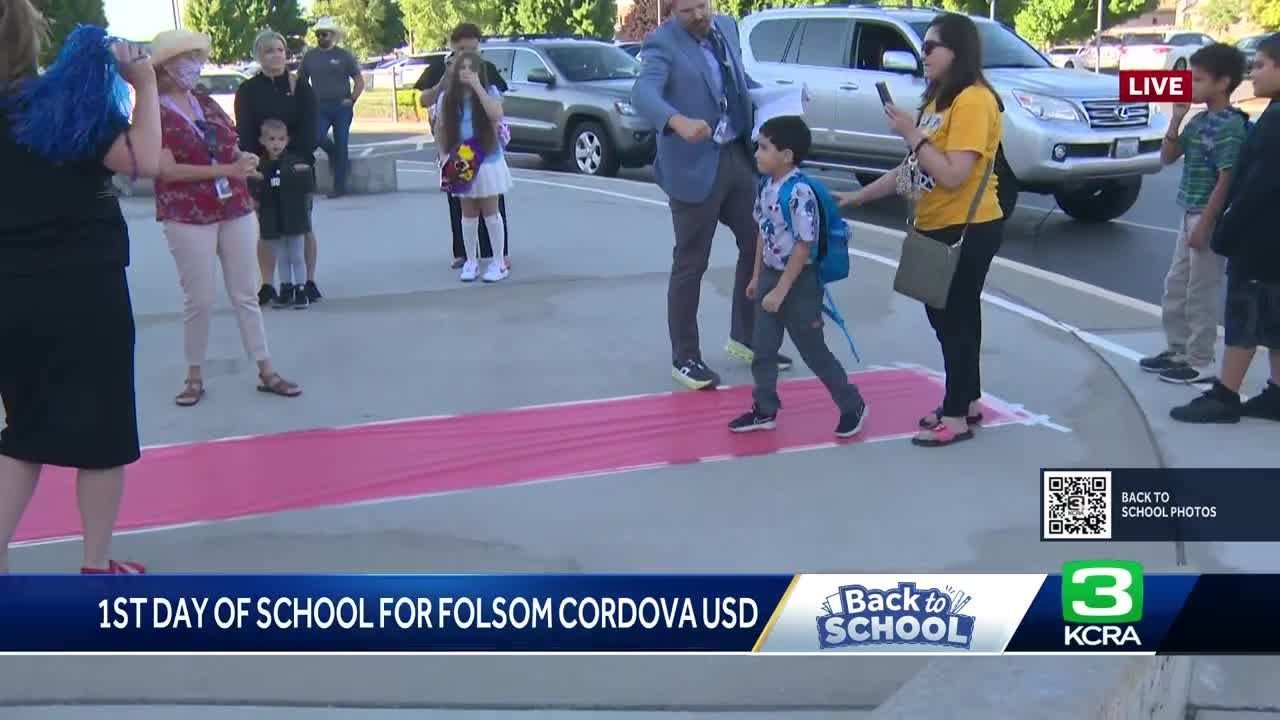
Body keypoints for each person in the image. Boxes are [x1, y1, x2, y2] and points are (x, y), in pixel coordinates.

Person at [0, 2, 161, 573]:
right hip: (82, 289)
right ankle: (96, 565)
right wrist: (142, 83)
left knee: (25, 430)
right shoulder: (59, 105)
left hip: (10, 293)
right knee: (103, 429)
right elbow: (145, 159)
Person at [834, 13, 1005, 448]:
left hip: (968, 224)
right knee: (952, 318)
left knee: (955, 320)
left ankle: (957, 413)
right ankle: (965, 401)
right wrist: (857, 197)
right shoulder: (938, 101)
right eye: (922, 47)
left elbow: (951, 174)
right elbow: (913, 171)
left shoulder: (973, 101)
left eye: (931, 47)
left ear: (957, 52)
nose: (922, 55)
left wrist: (911, 133)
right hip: (935, 223)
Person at [632, 0, 793, 392]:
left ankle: (746, 337)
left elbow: (738, 85)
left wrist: (779, 100)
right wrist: (676, 120)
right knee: (691, 261)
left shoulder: (727, 28)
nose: (700, 16)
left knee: (758, 243)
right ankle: (685, 357)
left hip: (737, 155)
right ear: (671, 11)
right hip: (692, 164)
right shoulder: (661, 44)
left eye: (703, 5)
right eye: (688, 11)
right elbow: (643, 93)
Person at [151, 29, 302, 407]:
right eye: (187, 58)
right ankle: (194, 375)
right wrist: (226, 172)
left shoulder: (205, 102)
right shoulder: (150, 113)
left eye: (195, 57)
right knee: (198, 299)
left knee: (245, 293)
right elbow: (166, 171)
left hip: (233, 207)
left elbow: (231, 145)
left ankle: (266, 369)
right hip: (187, 214)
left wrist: (245, 161)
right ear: (166, 66)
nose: (194, 65)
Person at [728, 117, 868, 438]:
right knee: (763, 349)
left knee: (813, 351)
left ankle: (852, 404)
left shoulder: (799, 193)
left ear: (787, 155)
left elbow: (804, 246)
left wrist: (780, 290)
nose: (757, 154)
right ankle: (764, 409)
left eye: (764, 147)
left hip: (799, 282)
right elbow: (764, 232)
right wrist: (756, 277)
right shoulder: (765, 186)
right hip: (771, 277)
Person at [1172, 33, 1280, 424]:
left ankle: (1225, 393)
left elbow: (1256, 184)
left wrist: (1225, 230)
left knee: (1245, 316)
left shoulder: (1271, 123)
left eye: (1263, 64)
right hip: (1272, 242)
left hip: (1261, 240)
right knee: (1273, 316)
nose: (1255, 71)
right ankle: (1276, 393)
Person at [1139, 43, 1248, 385]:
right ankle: (1177, 348)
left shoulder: (1231, 126)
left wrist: (1207, 223)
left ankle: (1200, 359)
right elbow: (1168, 157)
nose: (1191, 85)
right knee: (1177, 285)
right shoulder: (1199, 120)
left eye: (1198, 80)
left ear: (1223, 82)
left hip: (1206, 216)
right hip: (1188, 212)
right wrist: (1176, 117)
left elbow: (1227, 177)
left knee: (1201, 290)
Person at [235, 28, 322, 306]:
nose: (275, 55)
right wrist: (258, 165)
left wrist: (293, 161)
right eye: (268, 50)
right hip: (263, 168)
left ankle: (307, 281)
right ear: (258, 56)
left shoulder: (300, 87)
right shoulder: (248, 90)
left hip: (295, 168)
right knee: (268, 228)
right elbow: (245, 132)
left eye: (279, 49)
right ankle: (268, 283)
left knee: (302, 226)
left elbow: (311, 128)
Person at [416, 23, 511, 270]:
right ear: (452, 47)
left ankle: (497, 254)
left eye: (472, 48)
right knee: (460, 202)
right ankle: (464, 254)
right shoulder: (442, 68)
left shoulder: (485, 69)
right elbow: (424, 99)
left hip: (485, 148)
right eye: (461, 49)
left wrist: (478, 84)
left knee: (492, 200)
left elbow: (498, 103)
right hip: (456, 148)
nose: (466, 54)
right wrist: (442, 84)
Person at [434, 50, 511, 283]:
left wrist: (477, 87)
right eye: (462, 68)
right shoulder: (447, 97)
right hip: (461, 158)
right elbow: (440, 127)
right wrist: (444, 156)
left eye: (471, 68)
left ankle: (498, 263)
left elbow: (496, 114)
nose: (466, 72)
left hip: (487, 159)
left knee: (490, 211)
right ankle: (471, 261)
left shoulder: (489, 92)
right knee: (467, 214)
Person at [250, 118, 314, 309]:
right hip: (273, 217)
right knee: (282, 256)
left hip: (293, 216)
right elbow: (256, 191)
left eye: (280, 139)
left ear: (287, 140)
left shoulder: (294, 163)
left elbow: (307, 187)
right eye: (271, 139)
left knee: (296, 254)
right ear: (262, 141)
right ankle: (286, 288)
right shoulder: (260, 165)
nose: (276, 143)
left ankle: (301, 288)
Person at [299, 16, 363, 200]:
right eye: (318, 34)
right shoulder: (310, 57)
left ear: (332, 35)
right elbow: (301, 81)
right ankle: (332, 152)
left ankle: (339, 186)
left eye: (324, 34)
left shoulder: (344, 56)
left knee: (342, 143)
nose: (321, 37)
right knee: (316, 137)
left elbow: (358, 81)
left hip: (342, 107)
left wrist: (352, 99)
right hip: (320, 107)